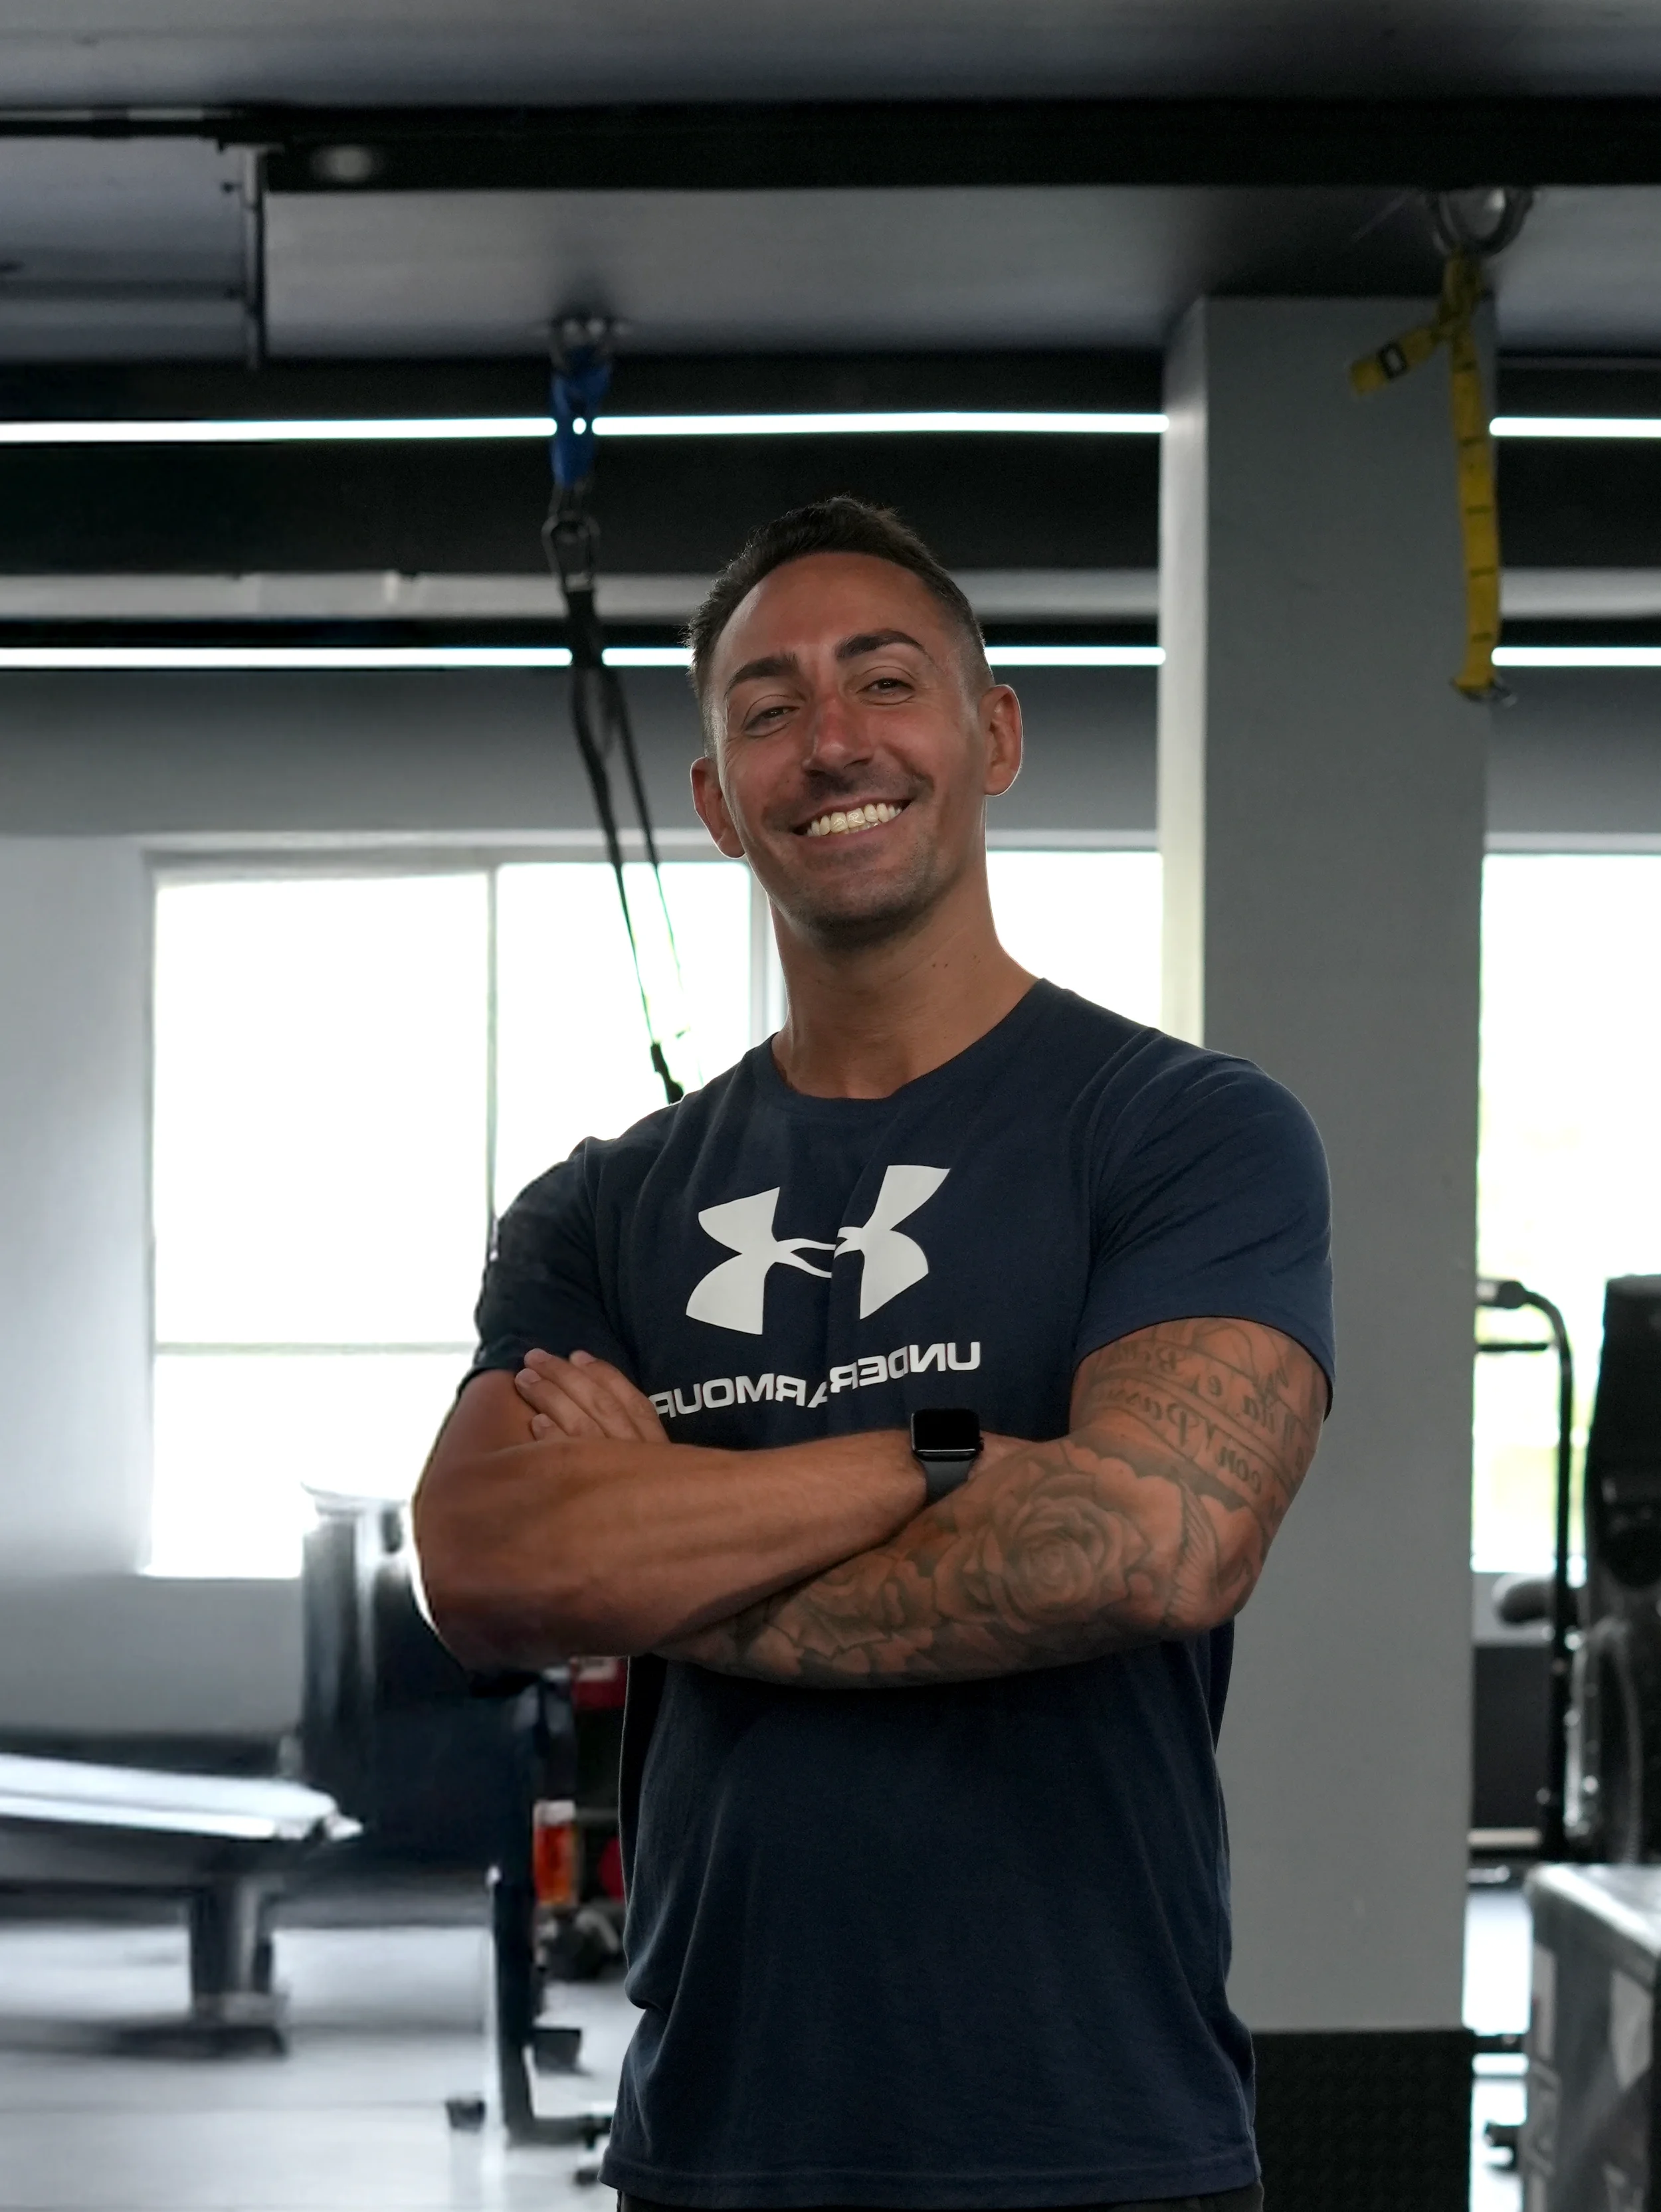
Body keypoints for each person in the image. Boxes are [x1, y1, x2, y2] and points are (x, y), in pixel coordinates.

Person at [413, 495, 1333, 2212]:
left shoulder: (1184, 1134)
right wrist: (941, 1458)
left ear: (990, 737)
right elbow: (480, 1567)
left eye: (883, 683)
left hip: (1096, 2140)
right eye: (765, 709)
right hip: (717, 2141)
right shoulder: (603, 1208)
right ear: (713, 799)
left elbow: (1155, 1542)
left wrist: (661, 1531)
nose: (829, 740)